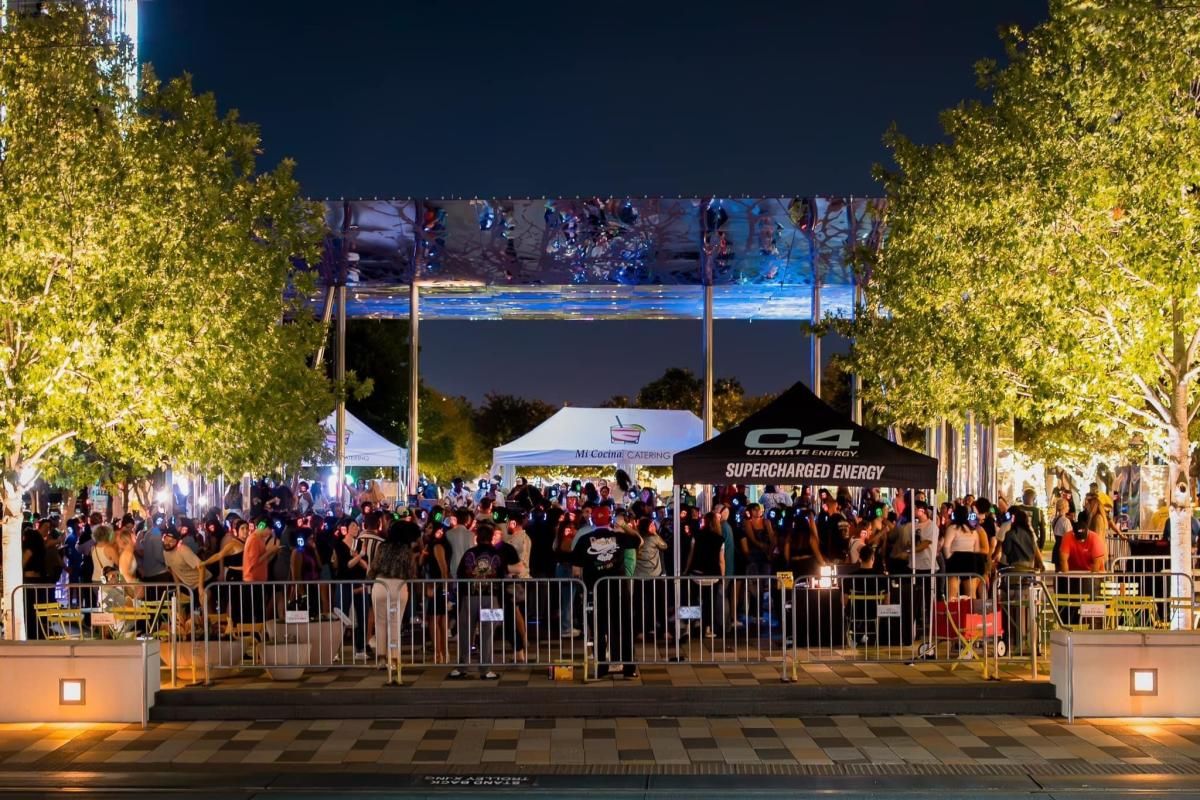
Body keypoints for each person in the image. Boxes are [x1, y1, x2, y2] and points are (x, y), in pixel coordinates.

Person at [572, 505, 641, 677]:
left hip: (595, 590)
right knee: (623, 627)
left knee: (598, 629)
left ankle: (601, 667)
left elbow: (576, 567)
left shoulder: (584, 539)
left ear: (592, 520)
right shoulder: (618, 537)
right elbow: (638, 541)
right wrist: (624, 526)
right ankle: (629, 667)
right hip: (619, 590)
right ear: (609, 519)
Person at [449, 522, 517, 680]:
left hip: (469, 597)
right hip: (491, 597)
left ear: (477, 537)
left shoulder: (469, 553)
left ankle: (462, 666)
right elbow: (502, 575)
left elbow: (460, 574)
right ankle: (485, 669)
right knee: (487, 634)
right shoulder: (497, 554)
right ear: (492, 537)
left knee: (466, 632)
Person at [370, 519, 420, 678]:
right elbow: (412, 572)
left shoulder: (382, 547)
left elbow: (374, 567)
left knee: (380, 622)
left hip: (380, 585)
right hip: (399, 587)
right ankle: (394, 658)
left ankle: (380, 658)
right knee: (395, 623)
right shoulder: (407, 550)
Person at [685, 511, 726, 640]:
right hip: (712, 574)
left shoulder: (697, 536)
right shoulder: (720, 539)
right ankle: (707, 627)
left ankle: (688, 626)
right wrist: (723, 577)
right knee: (709, 602)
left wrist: (686, 570)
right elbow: (721, 560)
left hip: (696, 573)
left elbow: (691, 555)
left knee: (692, 600)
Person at [419, 520, 452, 664]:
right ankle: (441, 652)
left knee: (436, 619)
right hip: (436, 586)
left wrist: (443, 588)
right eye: (427, 527)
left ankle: (440, 652)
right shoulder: (431, 545)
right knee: (438, 619)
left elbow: (443, 569)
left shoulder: (438, 545)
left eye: (431, 527)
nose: (428, 529)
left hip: (437, 587)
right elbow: (421, 562)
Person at [941, 504, 987, 600]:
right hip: (971, 559)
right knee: (971, 595)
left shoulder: (952, 528)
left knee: (952, 595)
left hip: (956, 559)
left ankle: (952, 613)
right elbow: (977, 549)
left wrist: (949, 557)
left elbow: (946, 546)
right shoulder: (972, 531)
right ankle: (970, 614)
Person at [998, 506, 1044, 572]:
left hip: (1015, 566)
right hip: (1030, 565)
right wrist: (1040, 562)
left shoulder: (1010, 532)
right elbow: (1035, 546)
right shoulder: (1029, 532)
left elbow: (1006, 550)